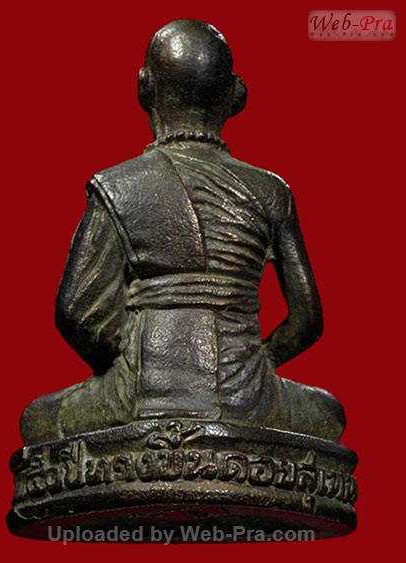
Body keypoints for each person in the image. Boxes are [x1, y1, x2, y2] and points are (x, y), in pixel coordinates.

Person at [21, 19, 345, 446]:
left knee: (37, 420)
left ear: (145, 88)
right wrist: (259, 361)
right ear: (236, 94)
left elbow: (76, 312)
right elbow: (307, 321)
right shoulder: (271, 191)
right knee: (329, 413)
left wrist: (127, 361)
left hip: (136, 395)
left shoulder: (118, 185)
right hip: (249, 397)